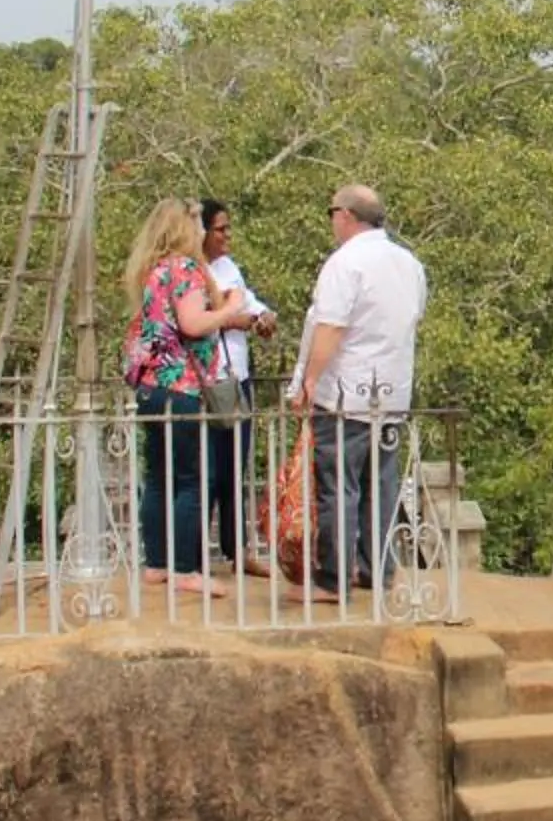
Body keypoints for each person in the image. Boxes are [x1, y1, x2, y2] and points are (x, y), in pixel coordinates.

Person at [288, 183, 429, 594]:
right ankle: (376, 569)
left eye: (332, 212)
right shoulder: (409, 264)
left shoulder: (345, 263)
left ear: (346, 215)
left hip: (346, 392)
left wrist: (309, 379)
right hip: (391, 392)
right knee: (380, 485)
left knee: (338, 485)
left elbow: (330, 327)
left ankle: (334, 577)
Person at [120, 197, 258, 591]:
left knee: (159, 476)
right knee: (195, 477)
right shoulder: (184, 269)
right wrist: (230, 309)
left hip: (151, 386)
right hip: (181, 385)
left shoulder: (155, 270)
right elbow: (193, 323)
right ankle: (185, 568)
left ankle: (157, 562)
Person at [197, 197, 278, 569]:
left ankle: (237, 549)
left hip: (235, 378)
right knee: (205, 470)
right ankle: (192, 553)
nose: (227, 235)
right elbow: (191, 318)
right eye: (220, 229)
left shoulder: (228, 268)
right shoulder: (189, 271)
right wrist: (233, 320)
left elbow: (249, 304)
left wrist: (262, 317)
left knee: (234, 466)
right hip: (203, 380)